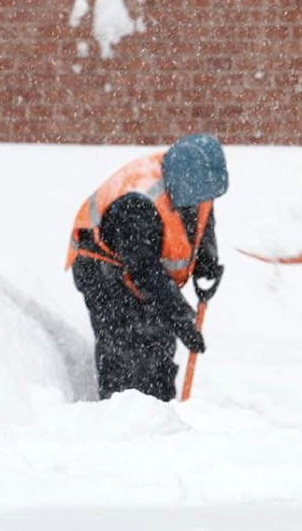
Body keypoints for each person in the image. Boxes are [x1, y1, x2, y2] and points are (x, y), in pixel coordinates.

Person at [66, 133, 228, 401]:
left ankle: (160, 411)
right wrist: (181, 318)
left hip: (145, 270)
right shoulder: (137, 203)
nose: (201, 202)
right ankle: (117, 413)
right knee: (123, 345)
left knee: (158, 344)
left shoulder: (197, 186)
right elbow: (144, 270)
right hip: (102, 269)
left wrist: (206, 262)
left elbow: (202, 218)